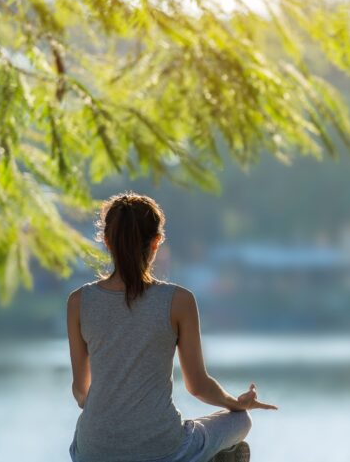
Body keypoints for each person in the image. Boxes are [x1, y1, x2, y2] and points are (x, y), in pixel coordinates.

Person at [67, 192, 277, 462]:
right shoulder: (179, 301)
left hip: (92, 451)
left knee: (84, 437)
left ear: (107, 241)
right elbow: (198, 386)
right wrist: (237, 404)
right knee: (241, 422)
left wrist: (106, 410)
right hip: (161, 449)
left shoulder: (78, 302)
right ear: (156, 242)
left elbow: (81, 391)